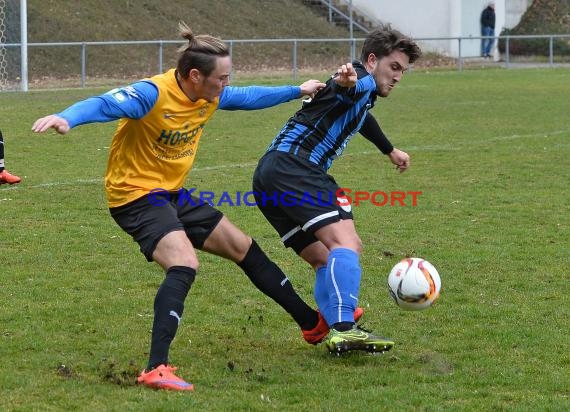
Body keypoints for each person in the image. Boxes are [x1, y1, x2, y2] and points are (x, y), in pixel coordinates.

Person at [31, 22, 351, 392]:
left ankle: (312, 324)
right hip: (135, 196)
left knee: (242, 246)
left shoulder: (208, 94)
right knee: (184, 263)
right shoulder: (152, 94)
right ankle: (156, 368)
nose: (226, 85)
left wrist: (297, 90)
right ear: (195, 76)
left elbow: (247, 96)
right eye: (222, 79)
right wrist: (67, 118)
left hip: (171, 192)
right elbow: (103, 103)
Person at [252, 24, 422, 355]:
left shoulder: (365, 91)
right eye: (395, 67)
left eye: (404, 70)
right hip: (297, 168)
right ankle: (345, 329)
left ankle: (336, 326)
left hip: (268, 175)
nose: (399, 76)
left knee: (324, 258)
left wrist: (389, 150)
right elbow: (348, 88)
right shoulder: (358, 79)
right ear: (372, 61)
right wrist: (345, 83)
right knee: (347, 243)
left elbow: (362, 114)